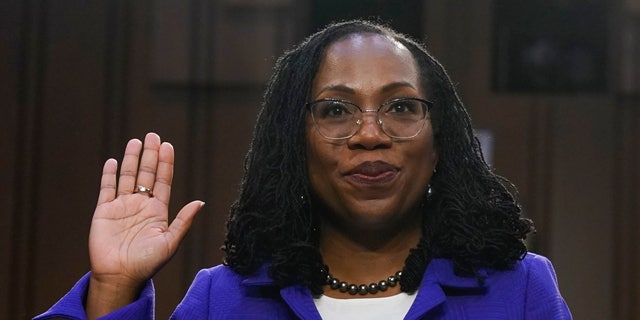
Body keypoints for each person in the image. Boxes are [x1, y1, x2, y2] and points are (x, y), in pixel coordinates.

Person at [35, 20, 572, 319]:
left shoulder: (522, 290)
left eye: (401, 106)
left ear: (440, 145)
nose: (369, 133)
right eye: (336, 109)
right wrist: (112, 289)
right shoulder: (221, 300)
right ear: (295, 145)